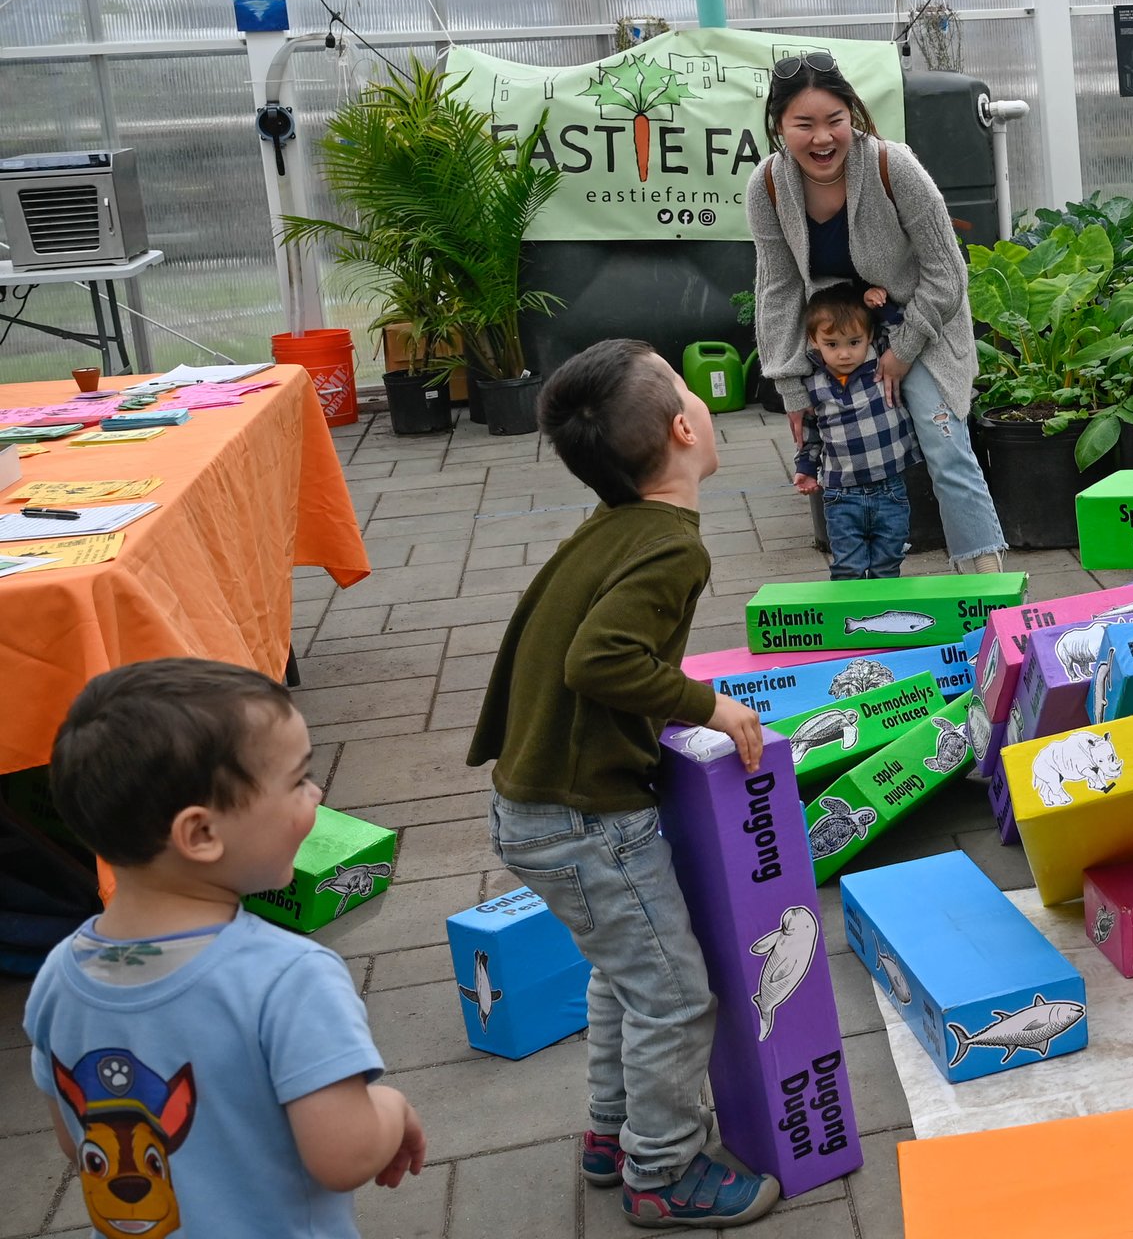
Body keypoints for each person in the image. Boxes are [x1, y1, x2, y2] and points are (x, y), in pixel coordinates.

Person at [465, 338, 778, 1228]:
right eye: (688, 389)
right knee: (676, 997)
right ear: (685, 427)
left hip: (539, 807)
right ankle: (663, 1172)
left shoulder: (614, 525)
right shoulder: (672, 547)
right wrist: (706, 706)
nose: (701, 401)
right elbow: (598, 657)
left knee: (620, 975)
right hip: (586, 820)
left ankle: (613, 1134)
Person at [26, 659, 426, 1238]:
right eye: (297, 781)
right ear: (202, 834)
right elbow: (343, 1155)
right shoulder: (290, 978)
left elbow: (76, 1138)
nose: (316, 793)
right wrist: (391, 1110)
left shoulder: (58, 977)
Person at [749, 51, 1007, 573]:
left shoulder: (894, 166)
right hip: (840, 339)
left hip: (921, 324)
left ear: (854, 115)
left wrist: (904, 351)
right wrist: (793, 387)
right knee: (842, 457)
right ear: (779, 127)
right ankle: (864, 587)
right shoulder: (769, 186)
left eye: (834, 121)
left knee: (945, 446)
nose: (822, 138)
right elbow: (776, 289)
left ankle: (991, 587)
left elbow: (947, 271)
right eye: (804, 125)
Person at [791, 282, 919, 580]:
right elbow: (811, 433)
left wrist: (881, 307)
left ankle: (884, 621)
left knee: (888, 564)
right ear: (814, 341)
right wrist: (807, 468)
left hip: (890, 488)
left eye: (854, 342)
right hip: (841, 493)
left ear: (869, 337)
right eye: (832, 344)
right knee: (847, 567)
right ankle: (848, 623)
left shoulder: (879, 362)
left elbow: (902, 331)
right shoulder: (812, 383)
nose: (845, 354)